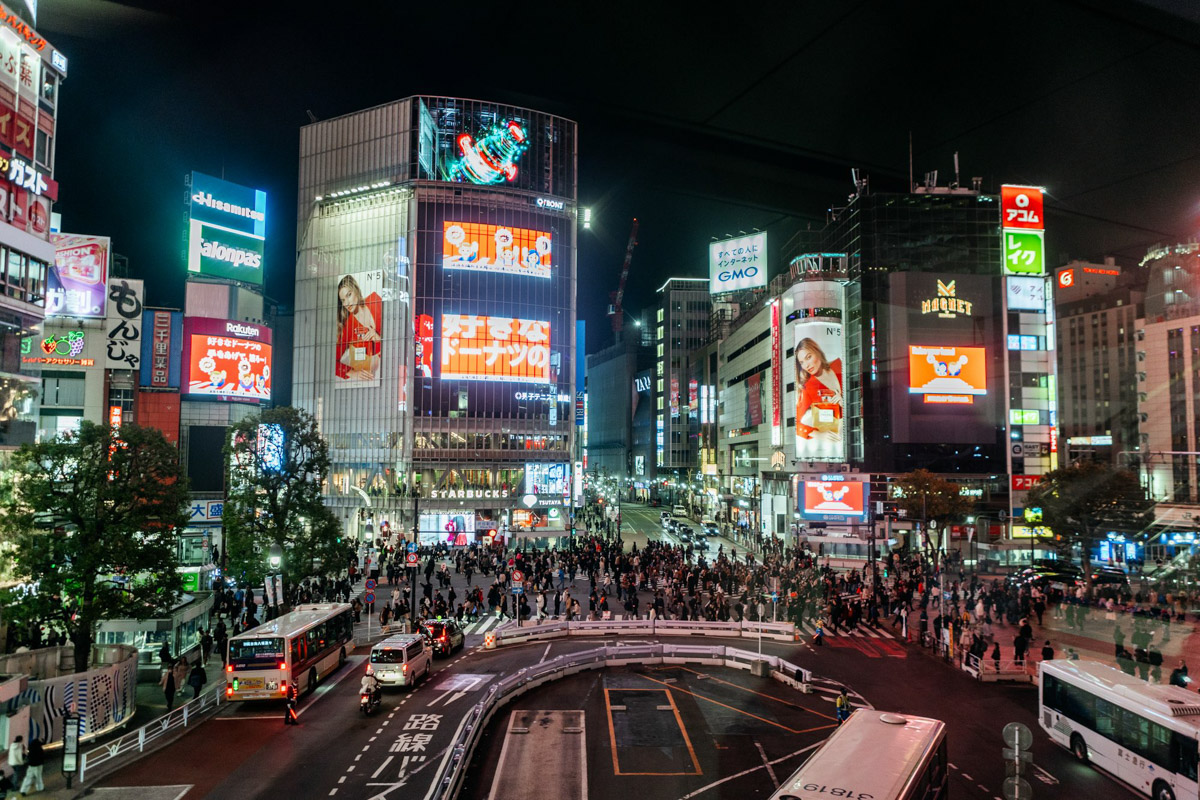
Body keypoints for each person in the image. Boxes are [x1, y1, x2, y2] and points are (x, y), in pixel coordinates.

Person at [794, 336, 843, 445]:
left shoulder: (840, 365)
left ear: (818, 352)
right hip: (836, 441)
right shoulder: (808, 388)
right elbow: (795, 423)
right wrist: (816, 434)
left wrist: (845, 403)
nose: (806, 365)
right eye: (801, 362)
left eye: (808, 357)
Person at [335, 273, 383, 383]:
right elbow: (332, 362)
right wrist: (352, 373)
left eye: (349, 295)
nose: (346, 303)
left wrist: (379, 339)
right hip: (373, 378)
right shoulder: (347, 327)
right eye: (343, 300)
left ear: (356, 290)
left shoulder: (376, 300)